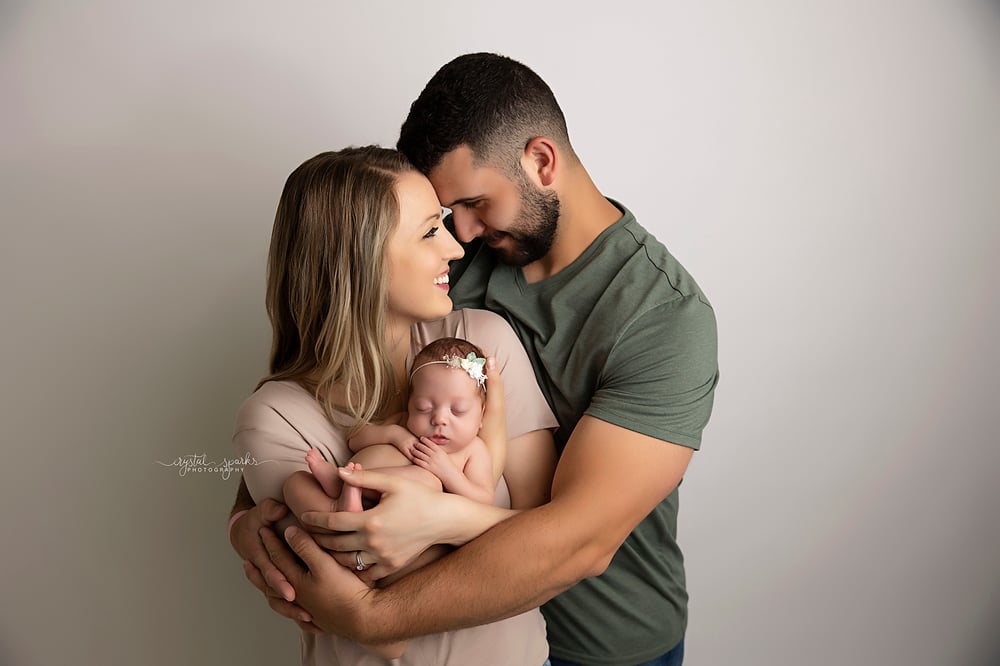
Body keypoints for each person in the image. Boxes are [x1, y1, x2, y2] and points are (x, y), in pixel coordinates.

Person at [237, 53, 718, 666]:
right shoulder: (449, 270)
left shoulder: (663, 317)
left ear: (541, 162)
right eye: (441, 216)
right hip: (458, 629)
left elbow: (582, 541)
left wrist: (370, 615)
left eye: (473, 203)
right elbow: (320, 411)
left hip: (602, 642)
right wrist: (252, 521)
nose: (459, 235)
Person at [230, 146, 558, 665]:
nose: (455, 248)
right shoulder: (278, 418)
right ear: (358, 259)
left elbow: (550, 551)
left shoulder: (480, 346)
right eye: (430, 231)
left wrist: (443, 520)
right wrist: (493, 532)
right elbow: (369, 623)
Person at [293, 336, 498, 514]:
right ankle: (340, 501)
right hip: (350, 485)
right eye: (423, 407)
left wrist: (448, 473)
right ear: (410, 404)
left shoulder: (474, 450)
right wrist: (393, 434)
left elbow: (483, 499)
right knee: (294, 482)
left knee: (429, 481)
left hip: (392, 508)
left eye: (458, 410)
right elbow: (354, 440)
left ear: (481, 416)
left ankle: (349, 485)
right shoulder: (402, 423)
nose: (439, 419)